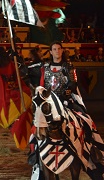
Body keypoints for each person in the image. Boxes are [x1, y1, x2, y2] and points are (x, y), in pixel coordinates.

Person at [32, 41, 104, 177]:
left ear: (62, 51)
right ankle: (35, 155)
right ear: (51, 52)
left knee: (85, 118)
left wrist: (68, 90)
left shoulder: (68, 67)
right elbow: (30, 71)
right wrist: (16, 60)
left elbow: (73, 82)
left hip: (65, 101)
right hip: (49, 103)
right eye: (54, 49)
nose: (57, 51)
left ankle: (90, 148)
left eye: (59, 49)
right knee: (36, 124)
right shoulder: (45, 66)